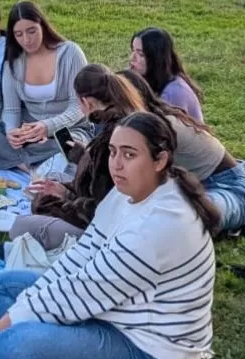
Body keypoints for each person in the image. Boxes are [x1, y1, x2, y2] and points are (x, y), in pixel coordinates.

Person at [0, 112, 216, 359]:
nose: (117, 164)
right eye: (113, 152)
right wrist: (9, 319)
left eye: (129, 154)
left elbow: (83, 292)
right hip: (112, 316)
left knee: (12, 348)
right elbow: (79, 259)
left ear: (160, 159)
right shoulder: (128, 194)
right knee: (1, 287)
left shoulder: (162, 224)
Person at [12, 64, 145, 249]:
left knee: (21, 226)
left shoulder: (111, 142)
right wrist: (82, 157)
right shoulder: (127, 120)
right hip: (125, 219)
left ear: (86, 102)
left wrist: (65, 197)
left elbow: (103, 209)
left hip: (109, 232)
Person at [119, 69, 245, 234]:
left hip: (229, 188)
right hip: (195, 188)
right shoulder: (139, 125)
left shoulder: (161, 127)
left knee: (182, 217)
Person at [0, 1, 89, 171]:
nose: (27, 40)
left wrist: (47, 127)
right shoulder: (13, 63)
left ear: (43, 25)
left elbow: (78, 107)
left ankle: (16, 160)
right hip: (28, 127)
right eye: (19, 34)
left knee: (71, 146)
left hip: (67, 127)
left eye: (32, 31)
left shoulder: (70, 53)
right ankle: (28, 163)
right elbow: (12, 109)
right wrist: (12, 133)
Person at [129, 27, 204, 122]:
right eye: (132, 51)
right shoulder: (145, 78)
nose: (132, 58)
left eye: (141, 54)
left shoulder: (174, 93)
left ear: (156, 60)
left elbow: (156, 130)